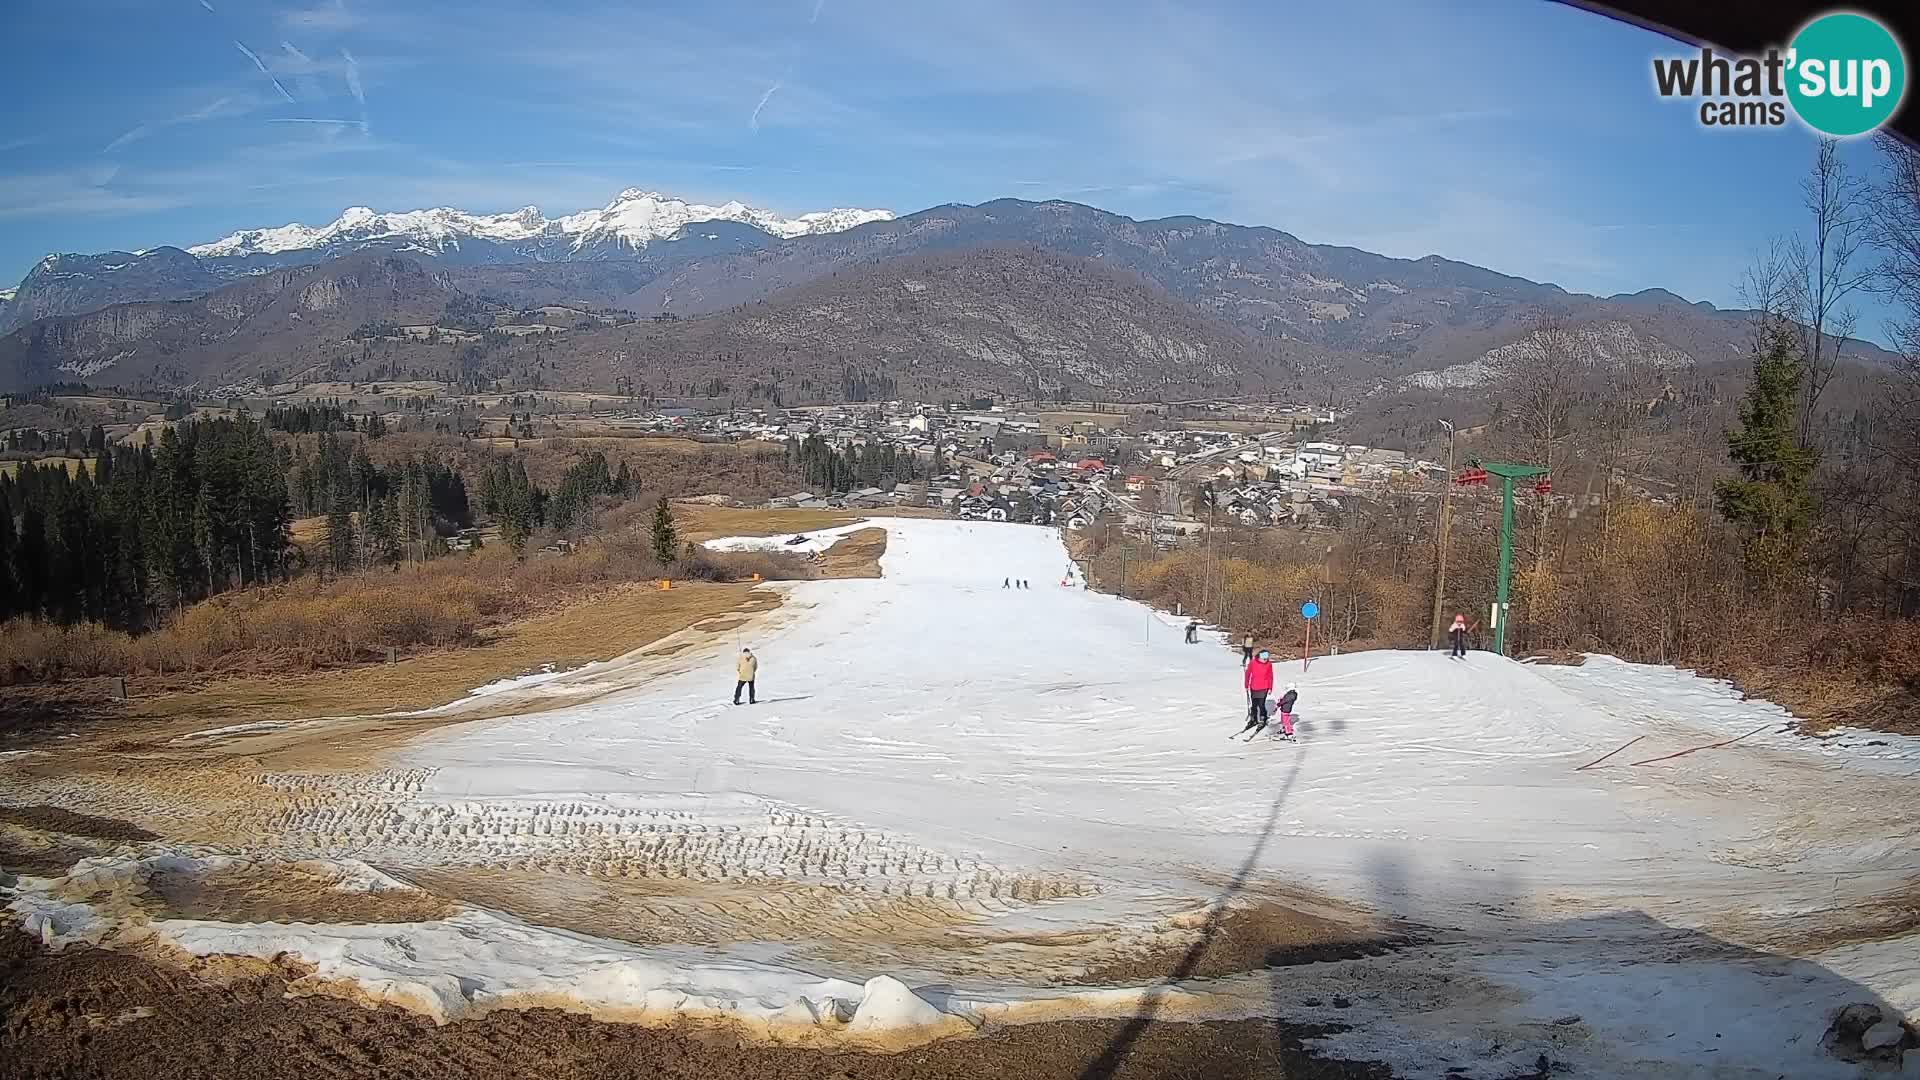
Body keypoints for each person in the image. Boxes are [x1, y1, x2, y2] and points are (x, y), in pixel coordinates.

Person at [1237, 649, 1275, 738]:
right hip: (1254, 687)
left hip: (1264, 687)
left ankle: (1263, 718)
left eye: (1267, 658)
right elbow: (1248, 674)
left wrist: (1270, 688)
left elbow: (1270, 676)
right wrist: (1246, 685)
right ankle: (1253, 719)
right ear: (1259, 657)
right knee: (1254, 705)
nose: (1265, 660)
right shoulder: (1253, 663)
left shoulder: (1269, 664)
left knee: (1261, 705)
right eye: (1264, 659)